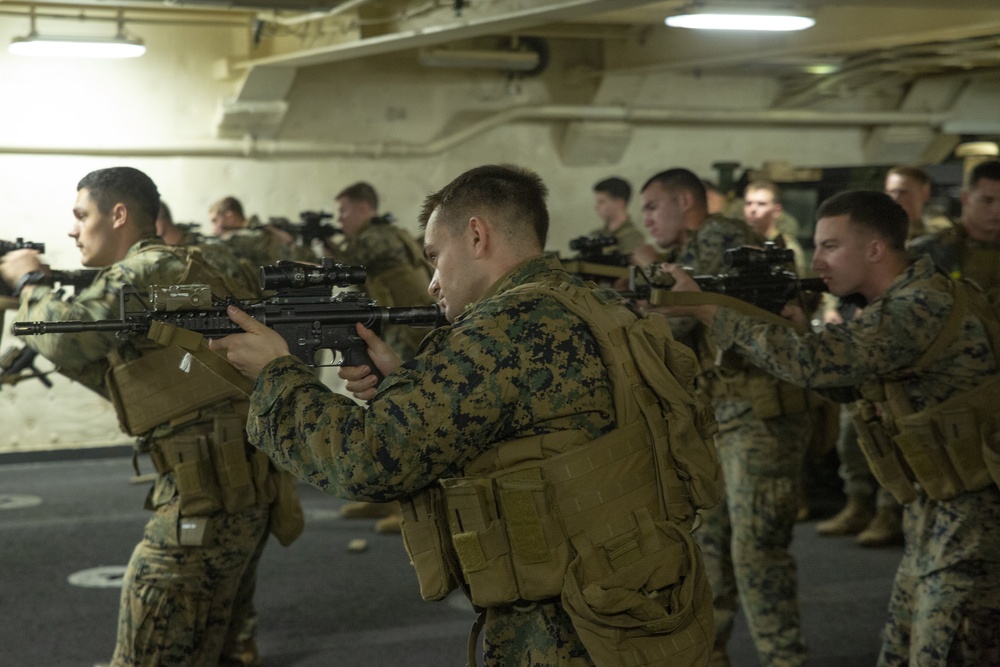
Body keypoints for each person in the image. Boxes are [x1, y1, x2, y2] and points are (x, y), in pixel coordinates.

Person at [208, 164, 720, 666]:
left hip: (569, 630)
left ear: (476, 235)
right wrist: (408, 386)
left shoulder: (502, 329)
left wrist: (276, 374)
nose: (432, 283)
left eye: (435, 256)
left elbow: (366, 460)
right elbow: (535, 427)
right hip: (645, 595)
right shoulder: (596, 305)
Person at [663, 189, 1000, 666]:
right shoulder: (902, 302)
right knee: (901, 653)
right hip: (937, 514)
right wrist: (797, 332)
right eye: (817, 246)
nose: (817, 261)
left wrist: (708, 309)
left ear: (875, 249)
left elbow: (815, 364)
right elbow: (851, 381)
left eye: (831, 247)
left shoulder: (919, 307)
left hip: (972, 526)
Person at [0, 167, 303, 667]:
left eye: (81, 216)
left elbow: (63, 336)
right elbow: (118, 368)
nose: (72, 230)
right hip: (235, 492)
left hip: (202, 503)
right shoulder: (183, 268)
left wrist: (29, 278)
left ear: (118, 215)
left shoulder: (148, 271)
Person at [635, 168, 813, 667]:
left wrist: (648, 286)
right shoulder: (697, 248)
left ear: (685, 200)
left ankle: (784, 657)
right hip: (727, 413)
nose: (646, 219)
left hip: (760, 413)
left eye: (652, 206)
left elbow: (685, 320)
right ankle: (710, 651)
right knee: (710, 545)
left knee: (757, 551)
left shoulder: (720, 237)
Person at [324, 181, 437, 532]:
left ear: (364, 209)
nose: (339, 218)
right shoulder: (390, 235)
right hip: (403, 330)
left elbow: (333, 270)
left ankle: (407, 507)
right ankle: (388, 496)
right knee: (384, 411)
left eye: (344, 210)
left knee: (400, 416)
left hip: (406, 336)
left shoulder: (373, 238)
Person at [209, 195, 297, 268]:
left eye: (215, 220)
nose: (213, 228)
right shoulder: (253, 232)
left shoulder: (256, 236)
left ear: (229, 216)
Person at [742, 180, 809, 275]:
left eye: (761, 204)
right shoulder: (741, 243)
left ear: (776, 210)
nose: (753, 209)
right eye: (748, 203)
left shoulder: (787, 248)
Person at [884, 165, 951, 240]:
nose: (895, 198)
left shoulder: (939, 233)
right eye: (891, 192)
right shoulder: (878, 232)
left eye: (902, 193)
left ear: (925, 194)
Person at [590, 176, 645, 255]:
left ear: (619, 203)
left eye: (601, 202)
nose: (596, 207)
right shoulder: (595, 235)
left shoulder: (633, 238)